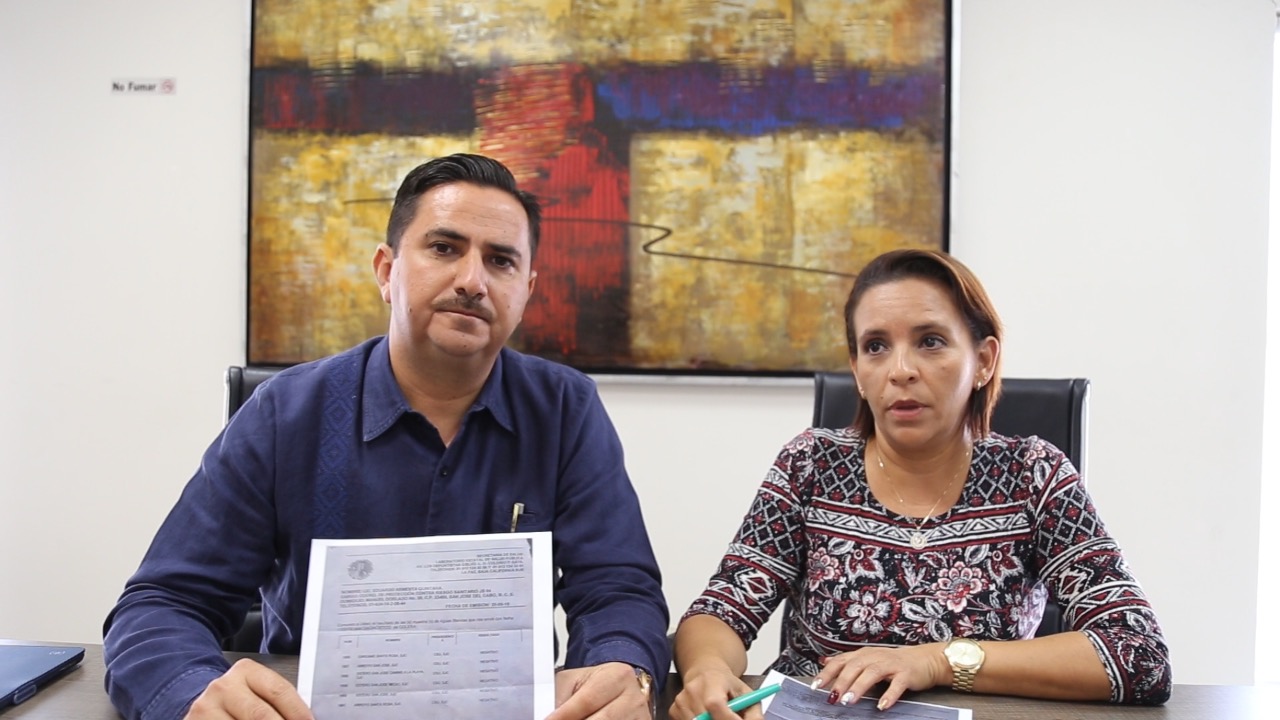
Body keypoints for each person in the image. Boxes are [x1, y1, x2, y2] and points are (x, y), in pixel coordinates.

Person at [103, 153, 669, 720]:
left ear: (526, 290)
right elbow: (164, 605)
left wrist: (624, 669)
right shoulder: (285, 411)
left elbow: (618, 591)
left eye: (500, 261)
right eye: (444, 248)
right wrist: (192, 692)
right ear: (386, 270)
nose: (472, 281)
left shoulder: (565, 409)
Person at [670, 249, 1171, 719]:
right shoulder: (812, 464)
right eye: (876, 347)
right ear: (857, 370)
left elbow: (1138, 654)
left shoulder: (1031, 474)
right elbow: (720, 610)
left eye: (930, 341)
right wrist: (707, 670)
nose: (901, 370)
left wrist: (936, 660)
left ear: (984, 361)